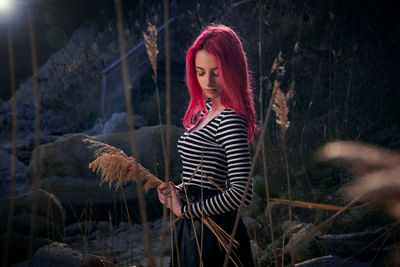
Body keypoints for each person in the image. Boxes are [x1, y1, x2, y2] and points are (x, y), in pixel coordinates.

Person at [157, 24, 256, 267]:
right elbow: (204, 177)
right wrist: (178, 190)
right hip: (195, 229)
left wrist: (186, 211)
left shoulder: (231, 118)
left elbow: (242, 193)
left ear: (232, 70)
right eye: (201, 72)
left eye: (216, 72)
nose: (207, 81)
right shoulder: (207, 112)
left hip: (215, 234)